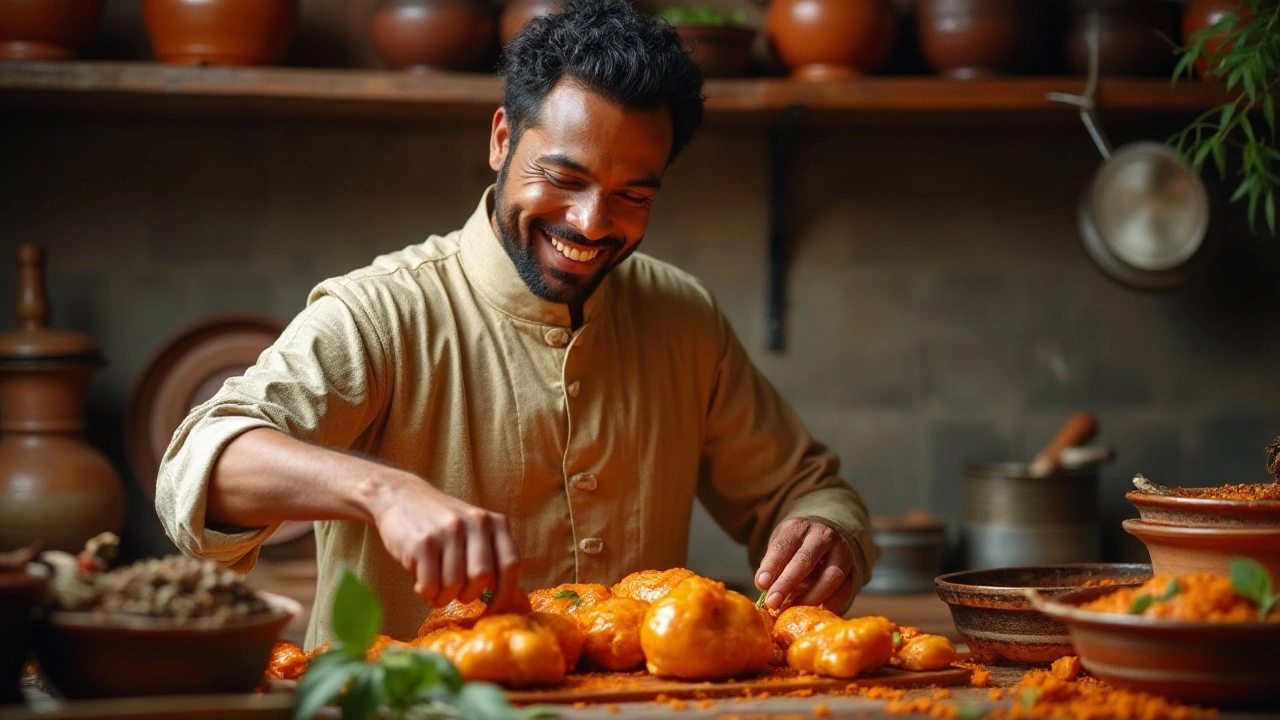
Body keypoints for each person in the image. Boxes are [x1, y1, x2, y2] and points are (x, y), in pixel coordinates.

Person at [155, 0, 877, 649]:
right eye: (563, 179)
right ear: (503, 139)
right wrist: (386, 493)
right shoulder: (382, 311)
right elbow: (199, 466)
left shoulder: (684, 319)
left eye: (632, 195)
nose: (592, 224)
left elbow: (809, 488)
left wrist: (826, 535)